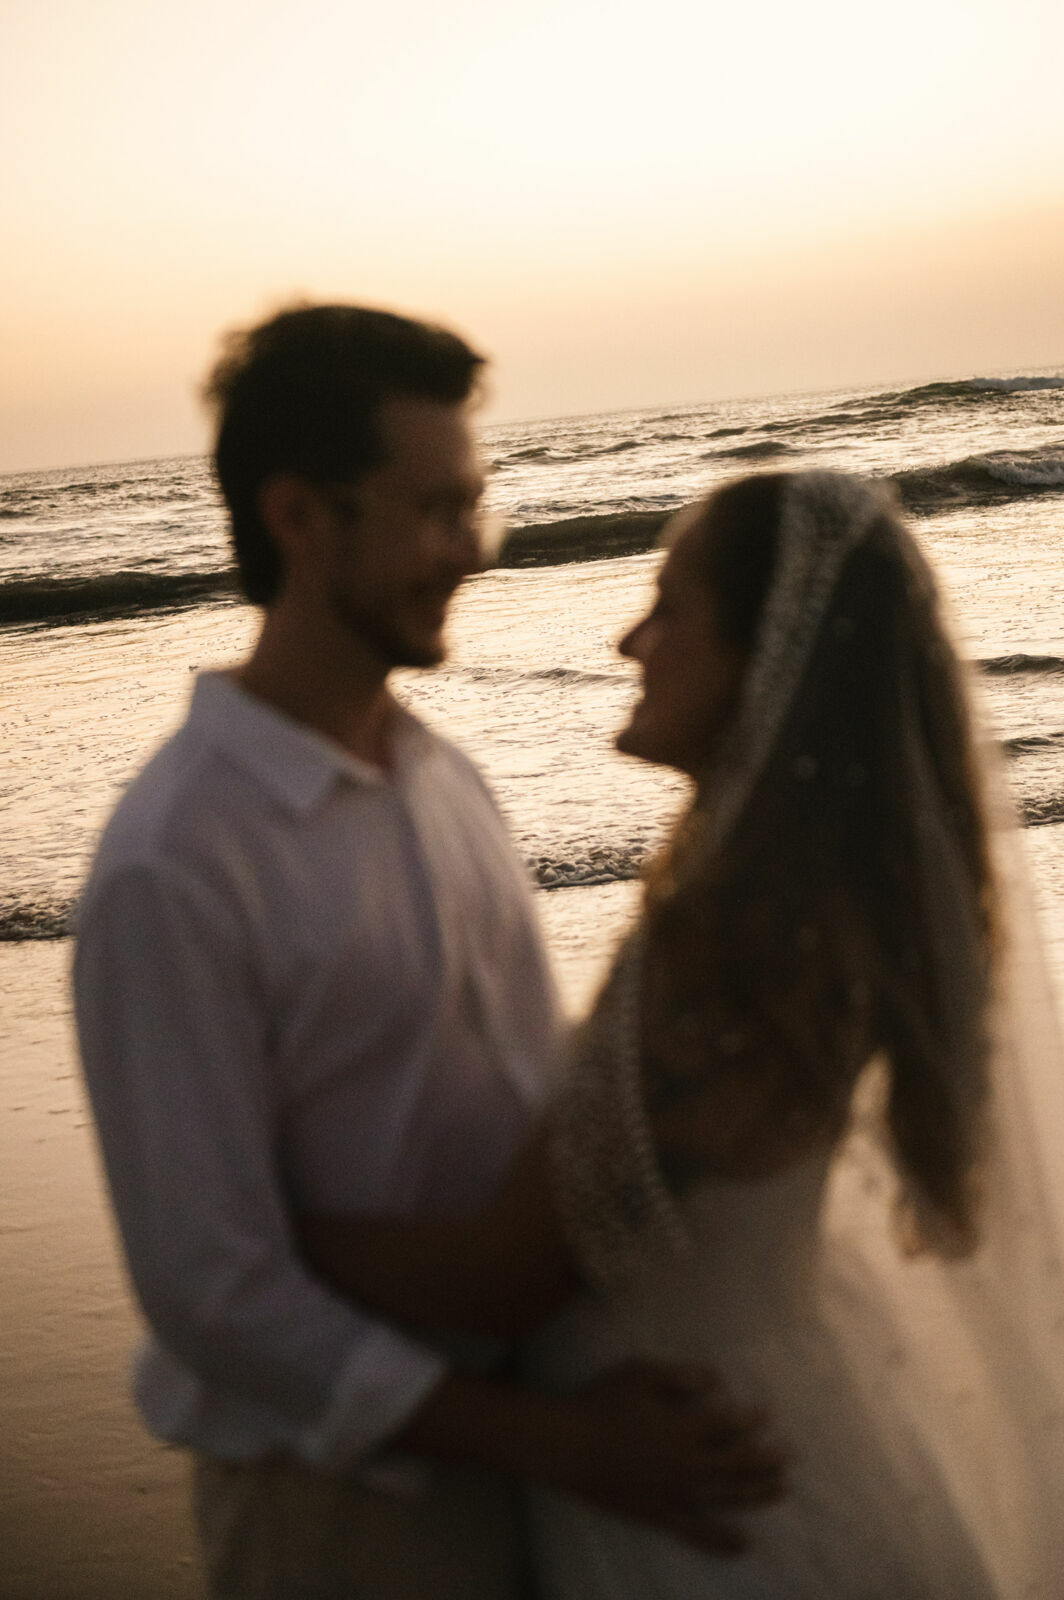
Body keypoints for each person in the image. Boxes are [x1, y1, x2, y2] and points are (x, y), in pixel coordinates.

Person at [72, 304, 782, 1600]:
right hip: (350, 1514)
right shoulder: (174, 863)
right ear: (300, 517)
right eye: (435, 510)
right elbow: (211, 1297)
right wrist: (559, 1441)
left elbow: (533, 1097)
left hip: (548, 1450)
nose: (471, 550)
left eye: (476, 505)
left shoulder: (440, 776)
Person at [304, 470, 1064, 1597]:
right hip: (785, 1413)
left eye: (668, 605)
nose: (628, 638)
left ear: (769, 656)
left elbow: (505, 1277)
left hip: (694, 1492)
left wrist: (247, 1233)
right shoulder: (826, 909)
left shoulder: (732, 954)